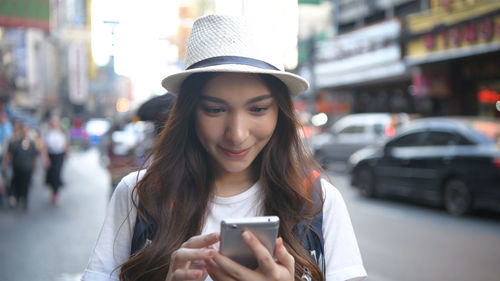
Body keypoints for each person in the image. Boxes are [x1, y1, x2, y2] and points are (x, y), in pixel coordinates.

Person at [82, 14, 366, 281]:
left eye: (258, 109)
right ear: (190, 112)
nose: (237, 135)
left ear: (279, 112)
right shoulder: (141, 194)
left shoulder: (317, 200)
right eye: (215, 110)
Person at [2, 120, 39, 210]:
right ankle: (17, 198)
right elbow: (9, 155)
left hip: (28, 168)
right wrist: (5, 166)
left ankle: (25, 200)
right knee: (17, 184)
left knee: (26, 185)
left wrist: (35, 166)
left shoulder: (32, 142)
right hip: (17, 168)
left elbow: (35, 156)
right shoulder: (14, 141)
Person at [42, 115, 69, 205]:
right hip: (51, 155)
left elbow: (65, 144)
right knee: (52, 174)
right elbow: (45, 147)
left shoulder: (62, 132)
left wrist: (67, 154)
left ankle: (56, 192)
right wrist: (46, 158)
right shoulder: (48, 133)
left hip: (59, 155)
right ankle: (53, 190)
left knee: (57, 173)